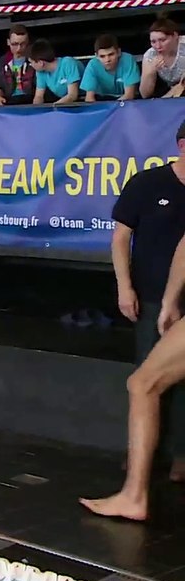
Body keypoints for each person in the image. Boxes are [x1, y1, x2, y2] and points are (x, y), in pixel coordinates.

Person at [83, 124, 185, 521]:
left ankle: (136, 496)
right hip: (159, 298)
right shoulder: (149, 183)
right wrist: (166, 302)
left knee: (143, 385)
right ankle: (137, 485)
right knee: (145, 382)